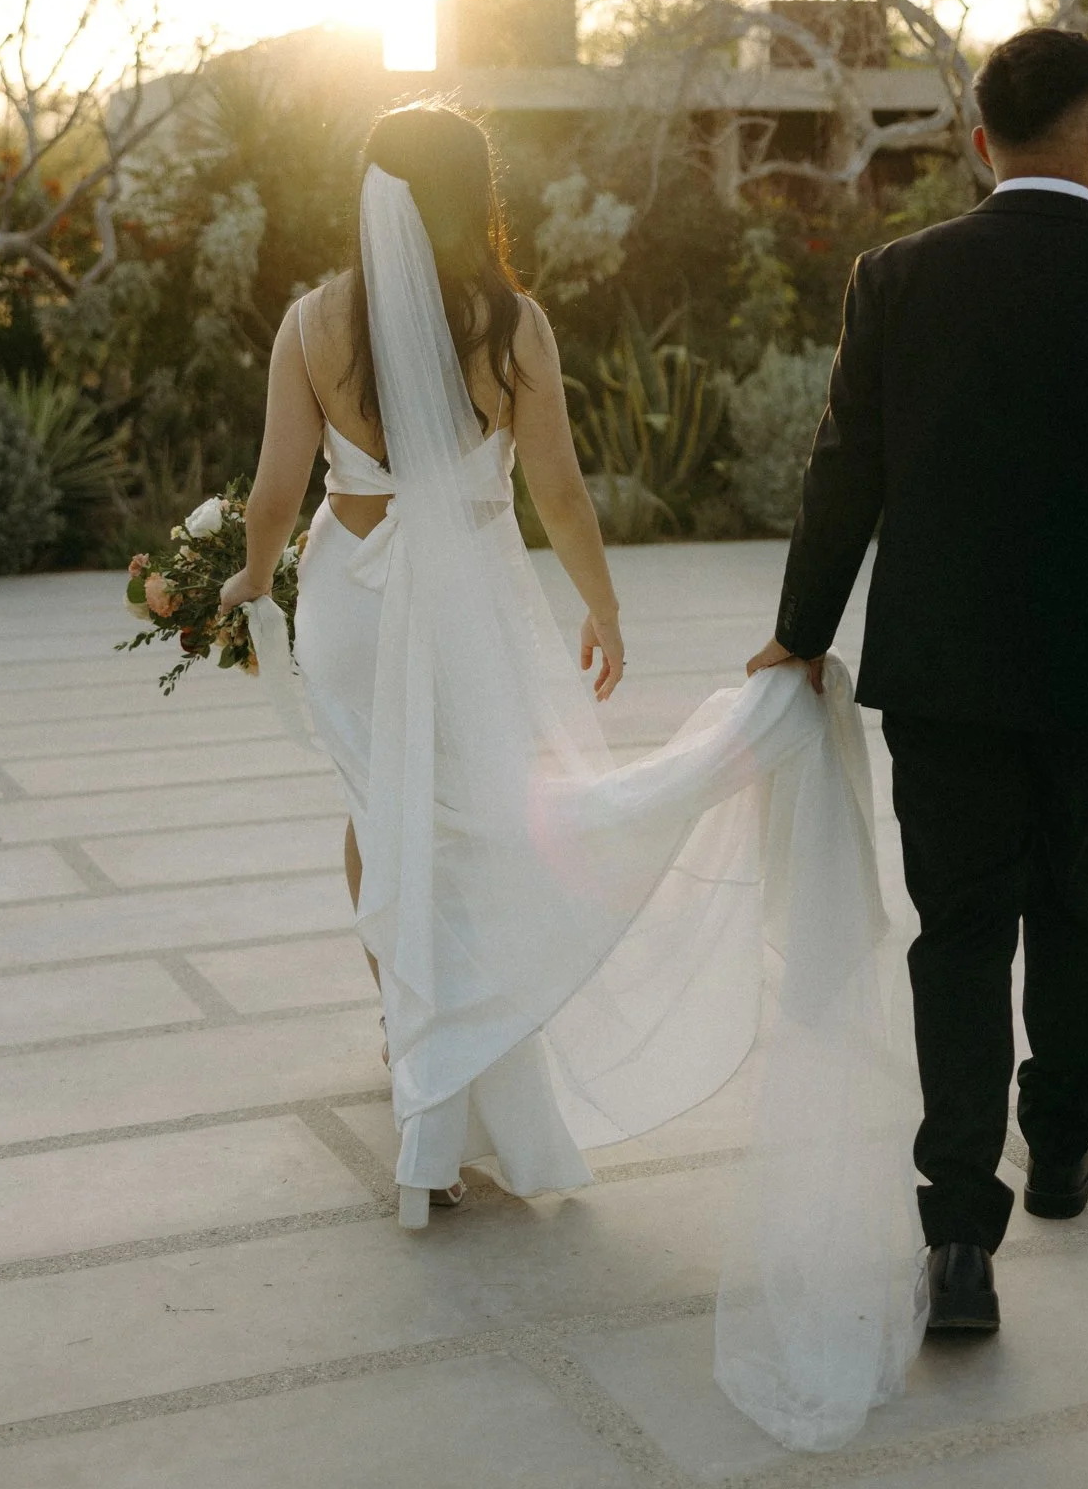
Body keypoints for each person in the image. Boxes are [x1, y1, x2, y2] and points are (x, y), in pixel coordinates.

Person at [219, 100, 923, 1452]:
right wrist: (600, 605)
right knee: (483, 827)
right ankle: (462, 1053)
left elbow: (272, 489)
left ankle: (410, 1041)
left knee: (381, 815)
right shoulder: (511, 324)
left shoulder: (313, 320)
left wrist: (245, 589)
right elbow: (557, 490)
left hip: (354, 609)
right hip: (470, 605)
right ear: (471, 189)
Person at [748, 26, 1088, 1336]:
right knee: (1078, 906)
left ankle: (959, 1225)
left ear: (975, 145)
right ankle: (1061, 1151)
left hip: (943, 673)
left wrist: (798, 630)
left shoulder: (896, 277)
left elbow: (843, 466)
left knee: (957, 931)